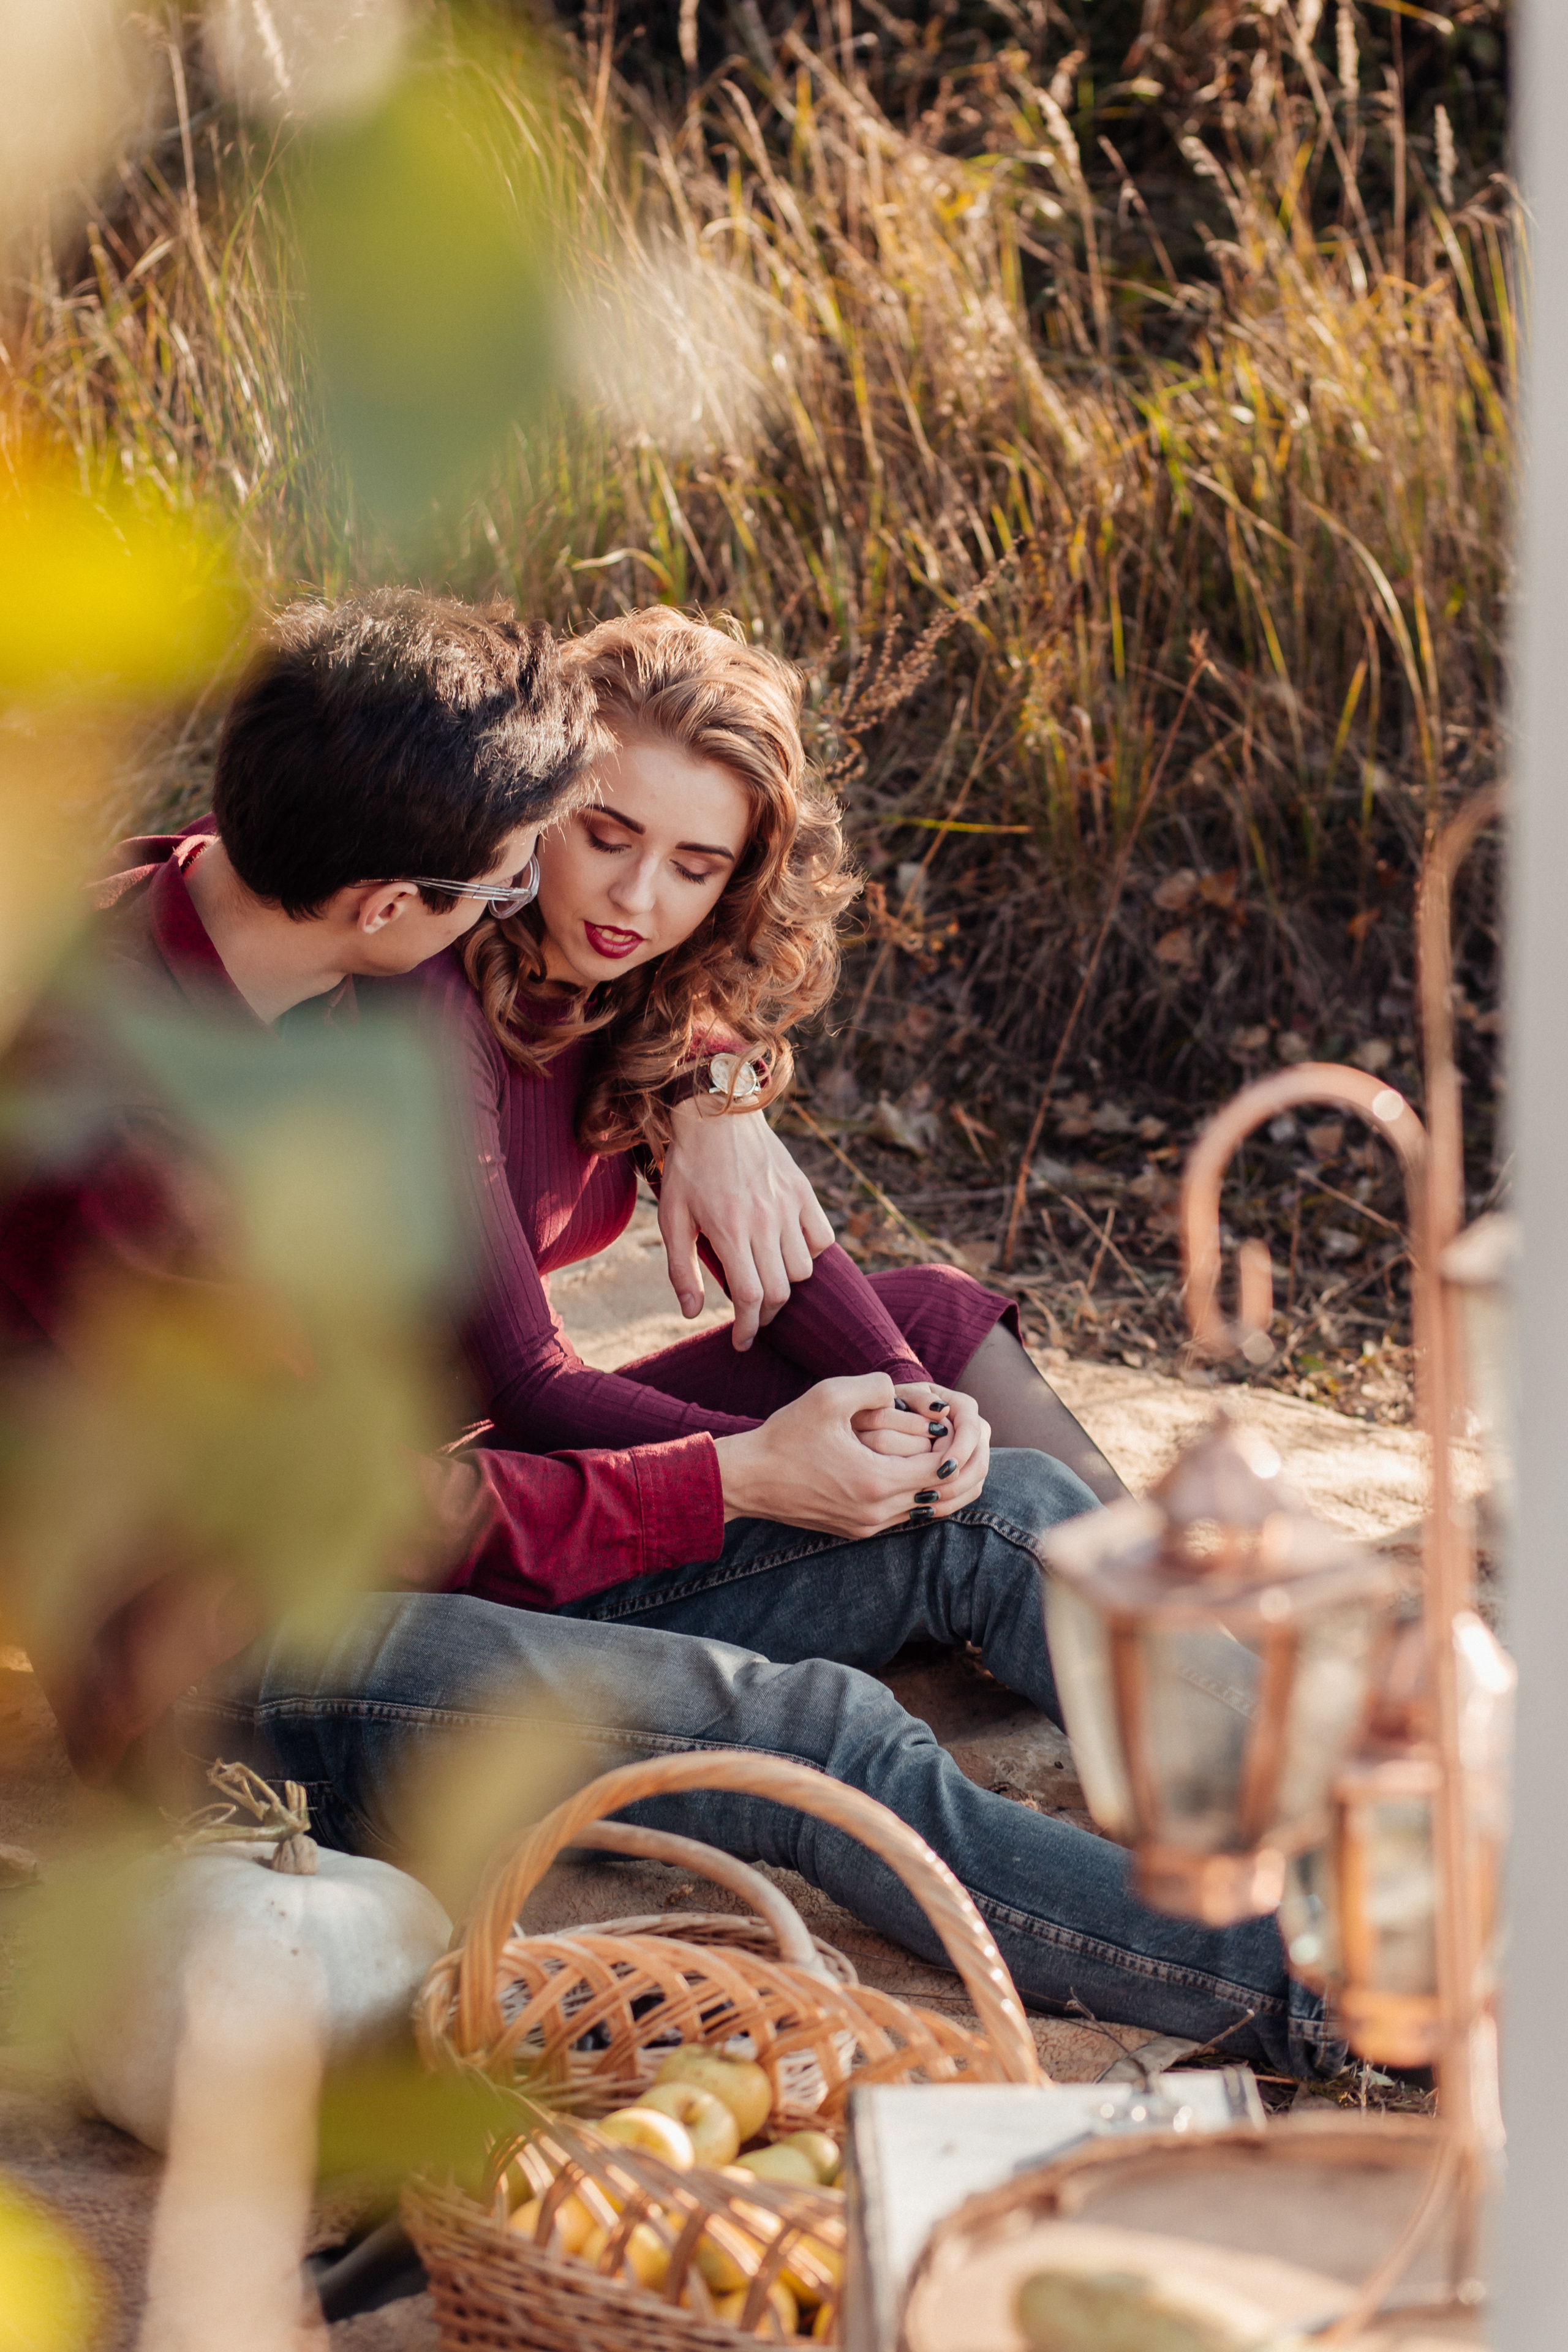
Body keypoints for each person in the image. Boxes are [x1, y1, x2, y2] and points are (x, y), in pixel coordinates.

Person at [0, 587, 1333, 2080]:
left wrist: (714, 1090)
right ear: (394, 908)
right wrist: (733, 1482)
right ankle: (1330, 2005)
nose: (538, 903)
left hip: (417, 1535)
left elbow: (525, 957)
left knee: (1004, 1511)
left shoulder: (270, 904)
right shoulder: (142, 1145)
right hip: (240, 1659)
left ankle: (1389, 1852)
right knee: (809, 1739)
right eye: (513, 874)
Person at [423, 606, 1128, 1526]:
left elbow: (787, 1275)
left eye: (694, 868)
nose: (636, 897)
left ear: (737, 883)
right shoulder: (433, 995)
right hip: (434, 1496)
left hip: (519, 1440)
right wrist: (780, 1461)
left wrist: (911, 1396)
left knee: (930, 1323)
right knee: (902, 1465)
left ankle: (1175, 1596)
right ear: (536, 801)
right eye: (606, 837)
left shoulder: (636, 992)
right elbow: (526, 1384)